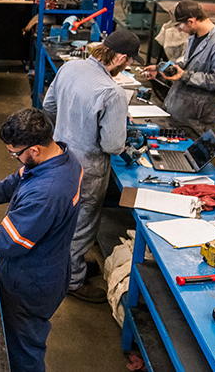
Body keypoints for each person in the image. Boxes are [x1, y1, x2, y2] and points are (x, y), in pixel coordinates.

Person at [0, 108, 82, 372]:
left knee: (24, 351)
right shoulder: (62, 157)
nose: (14, 158)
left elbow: (8, 241)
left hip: (31, 283)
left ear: (34, 150)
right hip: (49, 265)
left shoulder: (47, 191)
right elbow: (19, 179)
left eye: (15, 153)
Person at [42, 30, 141, 304]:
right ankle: (73, 280)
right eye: (128, 62)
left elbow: (49, 105)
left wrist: (72, 125)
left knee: (64, 217)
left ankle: (70, 264)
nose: (126, 67)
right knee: (82, 223)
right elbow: (112, 145)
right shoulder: (112, 92)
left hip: (59, 157)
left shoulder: (70, 67)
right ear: (120, 57)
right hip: (88, 168)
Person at [144, 0, 215, 135]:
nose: (179, 30)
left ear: (191, 21)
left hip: (199, 123)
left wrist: (185, 76)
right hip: (182, 118)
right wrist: (161, 69)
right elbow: (190, 66)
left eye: (179, 25)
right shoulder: (195, 37)